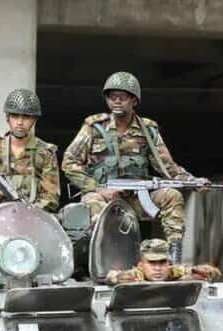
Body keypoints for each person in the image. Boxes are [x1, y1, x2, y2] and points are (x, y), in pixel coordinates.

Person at [61, 71, 206, 264]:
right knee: (93, 204)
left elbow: (167, 167)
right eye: (112, 97)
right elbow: (69, 162)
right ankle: (103, 262)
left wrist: (191, 180)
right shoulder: (94, 127)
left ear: (134, 100)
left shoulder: (148, 129)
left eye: (123, 97)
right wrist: (98, 188)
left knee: (172, 195)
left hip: (137, 196)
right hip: (102, 195)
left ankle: (173, 259)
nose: (117, 102)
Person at [0, 88, 61, 213]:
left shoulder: (45, 153)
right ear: (7, 118)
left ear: (34, 120)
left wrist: (29, 211)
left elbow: (51, 197)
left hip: (31, 219)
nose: (20, 122)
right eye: (15, 116)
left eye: (26, 117)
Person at [104, 238, 222, 285]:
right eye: (152, 263)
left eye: (162, 262)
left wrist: (200, 272)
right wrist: (116, 277)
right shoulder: (133, 276)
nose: (158, 268)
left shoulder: (173, 272)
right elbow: (112, 277)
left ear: (169, 264)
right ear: (140, 265)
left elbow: (210, 273)